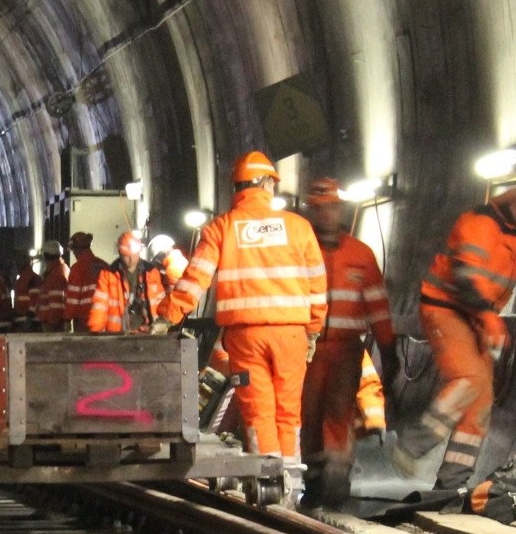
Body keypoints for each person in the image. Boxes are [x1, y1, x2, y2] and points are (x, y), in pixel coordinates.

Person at [393, 171, 516, 490]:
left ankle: (449, 485)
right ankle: (413, 445)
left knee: (480, 398)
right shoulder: (478, 224)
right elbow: (466, 278)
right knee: (470, 379)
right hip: (447, 311)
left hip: (476, 318)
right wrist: (487, 316)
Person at [152, 151, 326, 497]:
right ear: (265, 183)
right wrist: (313, 330)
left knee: (258, 409)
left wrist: (165, 317)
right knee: (288, 409)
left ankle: (269, 479)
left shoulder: (221, 227)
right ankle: (291, 483)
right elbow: (317, 284)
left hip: (246, 338)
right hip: (291, 333)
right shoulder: (298, 227)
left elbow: (194, 280)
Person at [298, 177, 396, 510]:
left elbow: (378, 307)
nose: (328, 215)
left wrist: (388, 348)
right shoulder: (298, 250)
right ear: (312, 211)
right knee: (309, 416)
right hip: (306, 349)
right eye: (321, 209)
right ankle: (313, 481)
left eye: (333, 208)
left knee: (338, 414)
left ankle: (337, 480)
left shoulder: (361, 255)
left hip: (345, 351)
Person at [87, 231, 168, 333]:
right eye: (127, 255)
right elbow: (99, 306)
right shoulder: (108, 274)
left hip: (148, 332)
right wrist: (96, 332)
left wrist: (163, 325)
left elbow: (161, 301)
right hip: (118, 334)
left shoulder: (151, 272)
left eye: (134, 255)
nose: (131, 259)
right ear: (120, 253)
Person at [63, 232, 107, 332]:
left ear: (77, 249)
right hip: (105, 318)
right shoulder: (104, 265)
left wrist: (67, 319)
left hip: (85, 320)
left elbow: (73, 299)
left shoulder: (77, 269)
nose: (73, 253)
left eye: (73, 251)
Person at [34, 240, 70, 331]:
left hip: (52, 324)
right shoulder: (59, 270)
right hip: (53, 321)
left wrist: (53, 325)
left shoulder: (56, 275)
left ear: (46, 256)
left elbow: (56, 304)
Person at [11, 251, 41, 331]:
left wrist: (29, 317)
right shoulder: (24, 278)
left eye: (19, 260)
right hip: (23, 320)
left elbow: (35, 299)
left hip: (28, 322)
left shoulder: (31, 278)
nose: (17, 263)